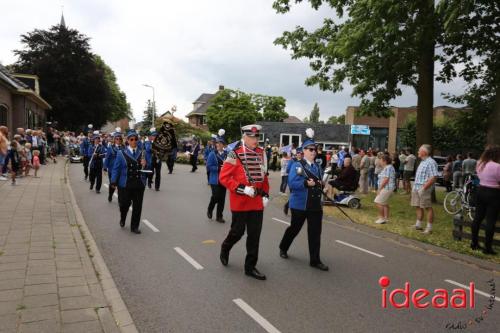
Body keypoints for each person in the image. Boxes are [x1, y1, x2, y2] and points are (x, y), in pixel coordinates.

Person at [219, 124, 270, 280]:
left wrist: (266, 194)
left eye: (257, 137)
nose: (255, 140)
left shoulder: (262, 154)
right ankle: (225, 247)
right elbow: (224, 178)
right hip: (240, 202)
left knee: (254, 235)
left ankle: (250, 267)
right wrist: (243, 188)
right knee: (237, 232)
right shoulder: (234, 155)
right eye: (252, 137)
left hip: (256, 203)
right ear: (245, 137)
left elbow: (264, 176)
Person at [279, 128, 329, 271]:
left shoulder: (318, 167)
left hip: (315, 205)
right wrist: (305, 183)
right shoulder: (297, 165)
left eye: (315, 149)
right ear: (304, 151)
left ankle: (315, 260)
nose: (313, 151)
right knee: (294, 229)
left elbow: (319, 182)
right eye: (310, 149)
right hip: (300, 204)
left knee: (315, 233)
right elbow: (292, 184)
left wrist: (322, 185)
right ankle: (283, 247)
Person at [111, 129, 147, 234]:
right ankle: (123, 217)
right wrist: (113, 181)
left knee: (137, 206)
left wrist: (145, 164)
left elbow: (147, 167)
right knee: (124, 204)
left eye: (136, 139)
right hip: (125, 183)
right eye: (131, 139)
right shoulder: (121, 153)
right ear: (127, 141)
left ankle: (134, 226)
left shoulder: (142, 153)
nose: (134, 141)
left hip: (138, 183)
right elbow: (116, 168)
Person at [470, 145, 500, 255]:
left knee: (477, 218)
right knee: (490, 220)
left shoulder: (480, 163)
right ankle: (487, 247)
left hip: (481, 190)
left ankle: (474, 243)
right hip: (494, 193)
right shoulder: (497, 166)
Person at [411, 144, 439, 234]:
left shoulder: (431, 162)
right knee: (418, 206)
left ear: (424, 152)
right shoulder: (423, 161)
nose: (418, 152)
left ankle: (429, 228)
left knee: (427, 207)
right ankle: (418, 224)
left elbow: (433, 177)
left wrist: (424, 188)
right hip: (416, 187)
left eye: (419, 150)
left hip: (424, 188)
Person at [207, 130, 227, 223]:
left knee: (222, 199)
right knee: (216, 196)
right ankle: (210, 209)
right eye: (217, 143)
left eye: (220, 143)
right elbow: (209, 166)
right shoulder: (212, 154)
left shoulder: (227, 155)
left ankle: (219, 216)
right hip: (215, 179)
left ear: (223, 145)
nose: (218, 145)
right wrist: (219, 168)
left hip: (224, 180)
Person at [374, 154, 396, 224]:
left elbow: (386, 179)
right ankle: (386, 218)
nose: (379, 162)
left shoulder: (388, 168)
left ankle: (382, 218)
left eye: (380, 160)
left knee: (378, 202)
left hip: (386, 188)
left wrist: (379, 189)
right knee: (384, 203)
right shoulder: (388, 167)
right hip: (387, 187)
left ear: (385, 161)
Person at [104, 129, 124, 202]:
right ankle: (110, 194)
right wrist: (105, 167)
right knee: (113, 184)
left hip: (121, 169)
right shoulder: (110, 148)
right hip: (112, 169)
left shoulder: (124, 148)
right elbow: (107, 158)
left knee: (120, 185)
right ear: (114, 139)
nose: (118, 140)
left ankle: (120, 198)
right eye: (117, 139)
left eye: (119, 139)